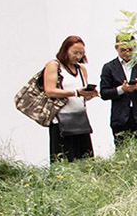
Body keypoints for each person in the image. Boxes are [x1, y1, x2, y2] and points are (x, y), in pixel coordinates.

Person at [40, 35, 97, 163]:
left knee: (85, 160)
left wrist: (88, 94)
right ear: (65, 50)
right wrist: (75, 92)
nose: (78, 56)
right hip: (61, 121)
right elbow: (49, 90)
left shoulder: (81, 69)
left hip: (80, 120)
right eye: (74, 52)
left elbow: (80, 94)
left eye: (81, 53)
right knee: (63, 160)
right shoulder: (54, 65)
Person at [99, 33, 137, 147]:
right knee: (121, 151)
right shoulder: (109, 67)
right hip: (120, 117)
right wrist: (122, 89)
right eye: (123, 50)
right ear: (116, 48)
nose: (127, 53)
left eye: (130, 49)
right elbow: (104, 93)